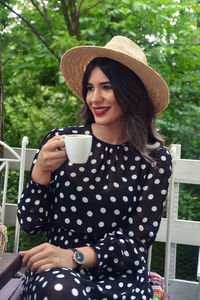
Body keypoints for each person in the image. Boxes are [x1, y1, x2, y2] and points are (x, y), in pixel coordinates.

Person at [17, 35, 172, 300]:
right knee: (62, 291)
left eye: (107, 87)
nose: (95, 98)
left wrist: (76, 256)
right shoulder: (60, 141)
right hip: (58, 271)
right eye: (90, 88)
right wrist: (40, 174)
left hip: (120, 274)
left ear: (131, 92)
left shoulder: (155, 160)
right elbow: (31, 224)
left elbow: (137, 242)